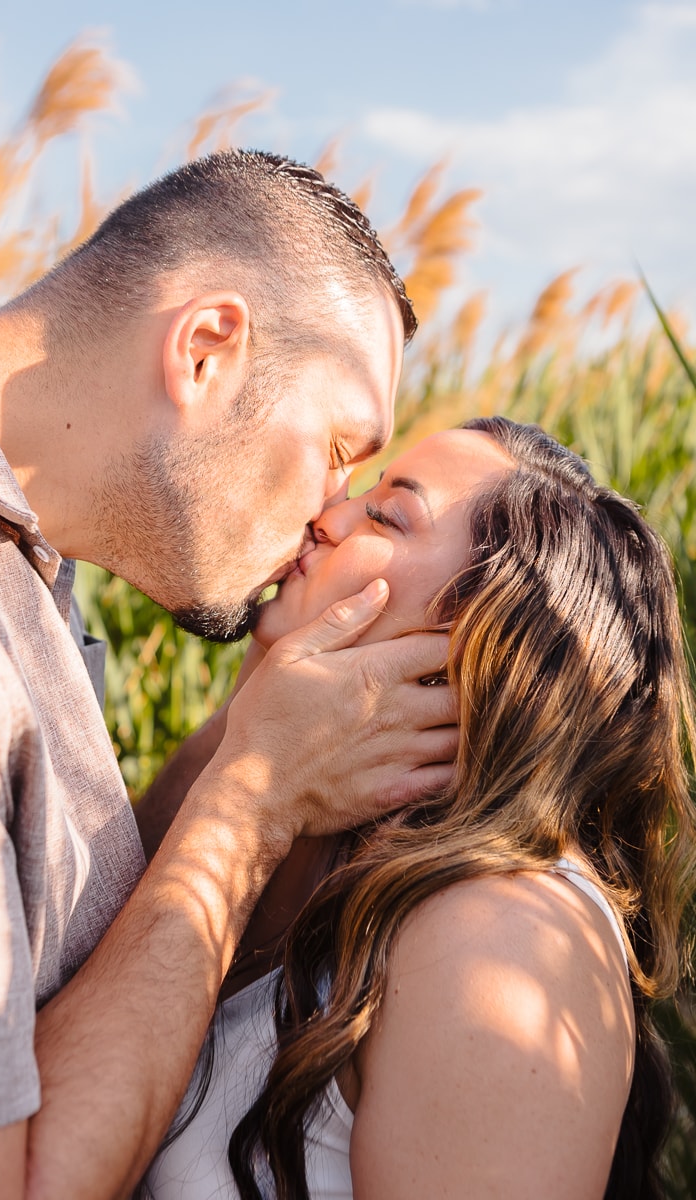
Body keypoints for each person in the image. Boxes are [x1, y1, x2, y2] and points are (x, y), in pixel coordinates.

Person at [0, 150, 459, 1199]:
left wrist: (263, 728)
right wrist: (252, 804)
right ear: (206, 348)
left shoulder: (8, 551)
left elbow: (65, 942)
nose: (328, 515)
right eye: (339, 447)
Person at [141, 418, 696, 1200]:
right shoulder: (314, 838)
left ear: (481, 640)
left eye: (387, 515)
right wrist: (257, 730)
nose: (327, 515)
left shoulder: (501, 933)